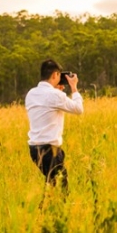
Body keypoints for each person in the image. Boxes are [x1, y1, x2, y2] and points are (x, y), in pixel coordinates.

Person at [25, 59, 83, 194]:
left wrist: (57, 91)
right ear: (55, 75)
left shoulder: (31, 94)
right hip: (50, 150)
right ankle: (45, 212)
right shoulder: (55, 95)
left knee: (52, 185)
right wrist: (74, 87)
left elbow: (45, 106)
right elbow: (78, 109)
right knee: (62, 190)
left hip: (34, 150)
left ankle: (44, 212)